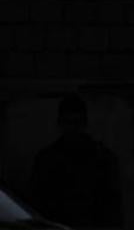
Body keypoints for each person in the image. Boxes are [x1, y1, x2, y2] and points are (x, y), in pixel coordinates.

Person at [30, 94, 123, 229]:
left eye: (76, 123)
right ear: (60, 123)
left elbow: (112, 207)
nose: (72, 129)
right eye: (68, 122)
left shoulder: (102, 158)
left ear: (84, 124)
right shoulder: (46, 160)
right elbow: (38, 203)